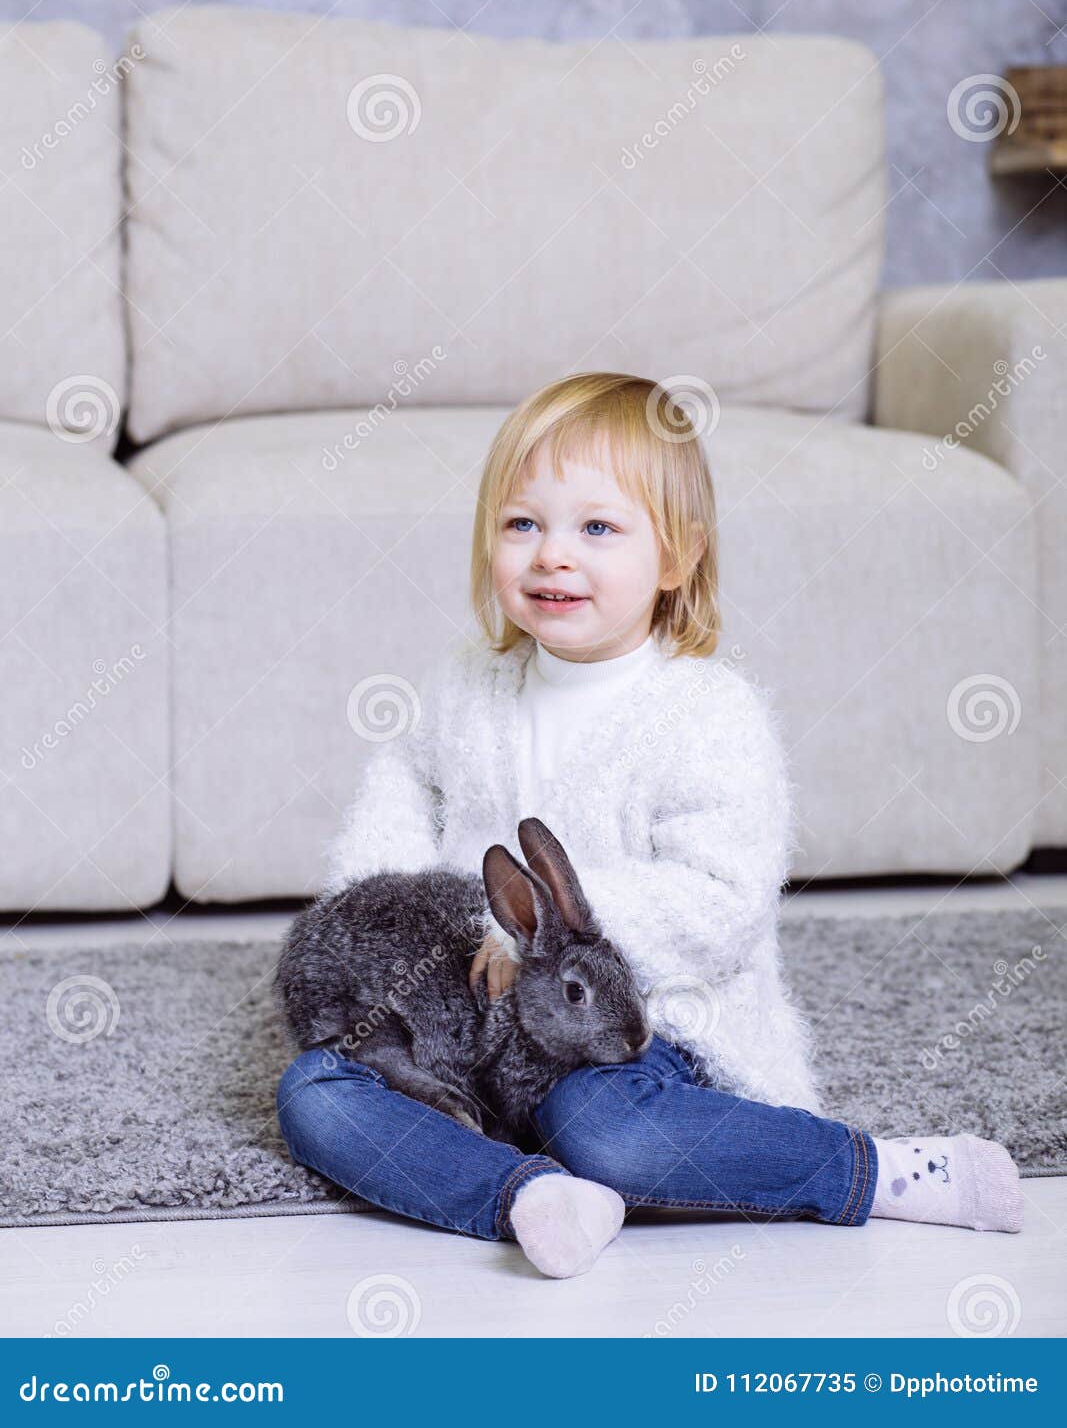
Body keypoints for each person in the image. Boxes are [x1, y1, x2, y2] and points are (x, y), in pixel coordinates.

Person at [276, 372, 1022, 1277]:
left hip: (645, 1032)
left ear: (676, 558)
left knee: (603, 1130)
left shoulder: (705, 713)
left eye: (596, 528)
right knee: (314, 1091)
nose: (552, 554)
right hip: (470, 1037)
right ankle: (529, 1197)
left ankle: (876, 1173)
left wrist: (548, 944)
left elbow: (720, 897)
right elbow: (400, 798)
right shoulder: (465, 683)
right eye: (523, 524)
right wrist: (396, 934)